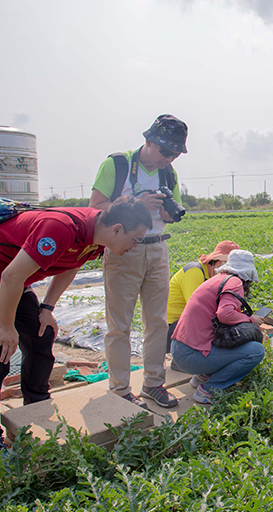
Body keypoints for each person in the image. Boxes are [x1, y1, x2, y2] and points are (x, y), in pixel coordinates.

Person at [0, 197, 152, 464]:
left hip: (11, 278)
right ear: (117, 229)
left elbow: (71, 266)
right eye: (135, 239)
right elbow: (10, 277)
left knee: (41, 335)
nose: (134, 247)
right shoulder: (61, 228)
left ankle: (37, 404)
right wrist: (6, 327)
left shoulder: (95, 239)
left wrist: (47, 307)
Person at [90, 114, 187, 410]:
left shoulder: (168, 173)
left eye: (174, 153)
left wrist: (167, 212)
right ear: (148, 140)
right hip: (123, 250)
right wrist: (136, 206)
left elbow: (173, 212)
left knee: (157, 321)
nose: (169, 158)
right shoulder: (117, 165)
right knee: (119, 324)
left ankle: (153, 383)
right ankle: (120, 390)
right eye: (165, 151)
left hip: (157, 250)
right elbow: (95, 207)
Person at [171, 250, 265, 406]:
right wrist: (250, 319)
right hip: (191, 355)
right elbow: (225, 314)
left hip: (179, 349)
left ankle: (203, 376)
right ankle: (209, 390)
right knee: (255, 351)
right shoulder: (235, 282)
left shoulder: (217, 279)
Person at [166, 240, 240, 352]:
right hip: (172, 327)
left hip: (183, 323)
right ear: (215, 260)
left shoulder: (210, 276)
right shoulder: (195, 272)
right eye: (224, 263)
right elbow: (196, 310)